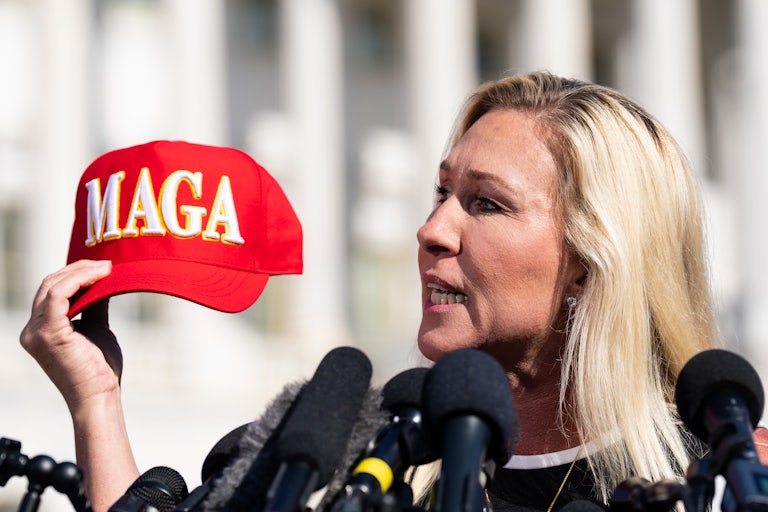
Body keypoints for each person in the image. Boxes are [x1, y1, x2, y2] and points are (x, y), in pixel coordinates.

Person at [18, 71, 745, 512]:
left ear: (592, 260)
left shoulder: (719, 473)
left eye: (485, 204)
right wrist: (97, 401)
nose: (432, 230)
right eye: (440, 193)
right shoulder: (344, 445)